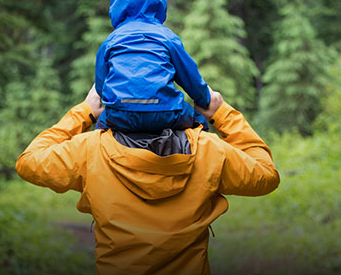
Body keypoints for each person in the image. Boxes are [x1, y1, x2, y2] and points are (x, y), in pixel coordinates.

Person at [16, 84, 280, 275]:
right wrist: (222, 113)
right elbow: (266, 175)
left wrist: (84, 111)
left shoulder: (89, 150)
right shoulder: (209, 150)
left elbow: (29, 162)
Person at [95, 0, 210, 133]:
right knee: (199, 121)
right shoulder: (167, 37)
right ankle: (194, 156)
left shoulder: (111, 40)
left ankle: (105, 156)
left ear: (118, 2)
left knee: (99, 128)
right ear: (158, 2)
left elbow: (100, 86)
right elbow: (190, 78)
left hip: (120, 114)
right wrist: (205, 99)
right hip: (165, 112)